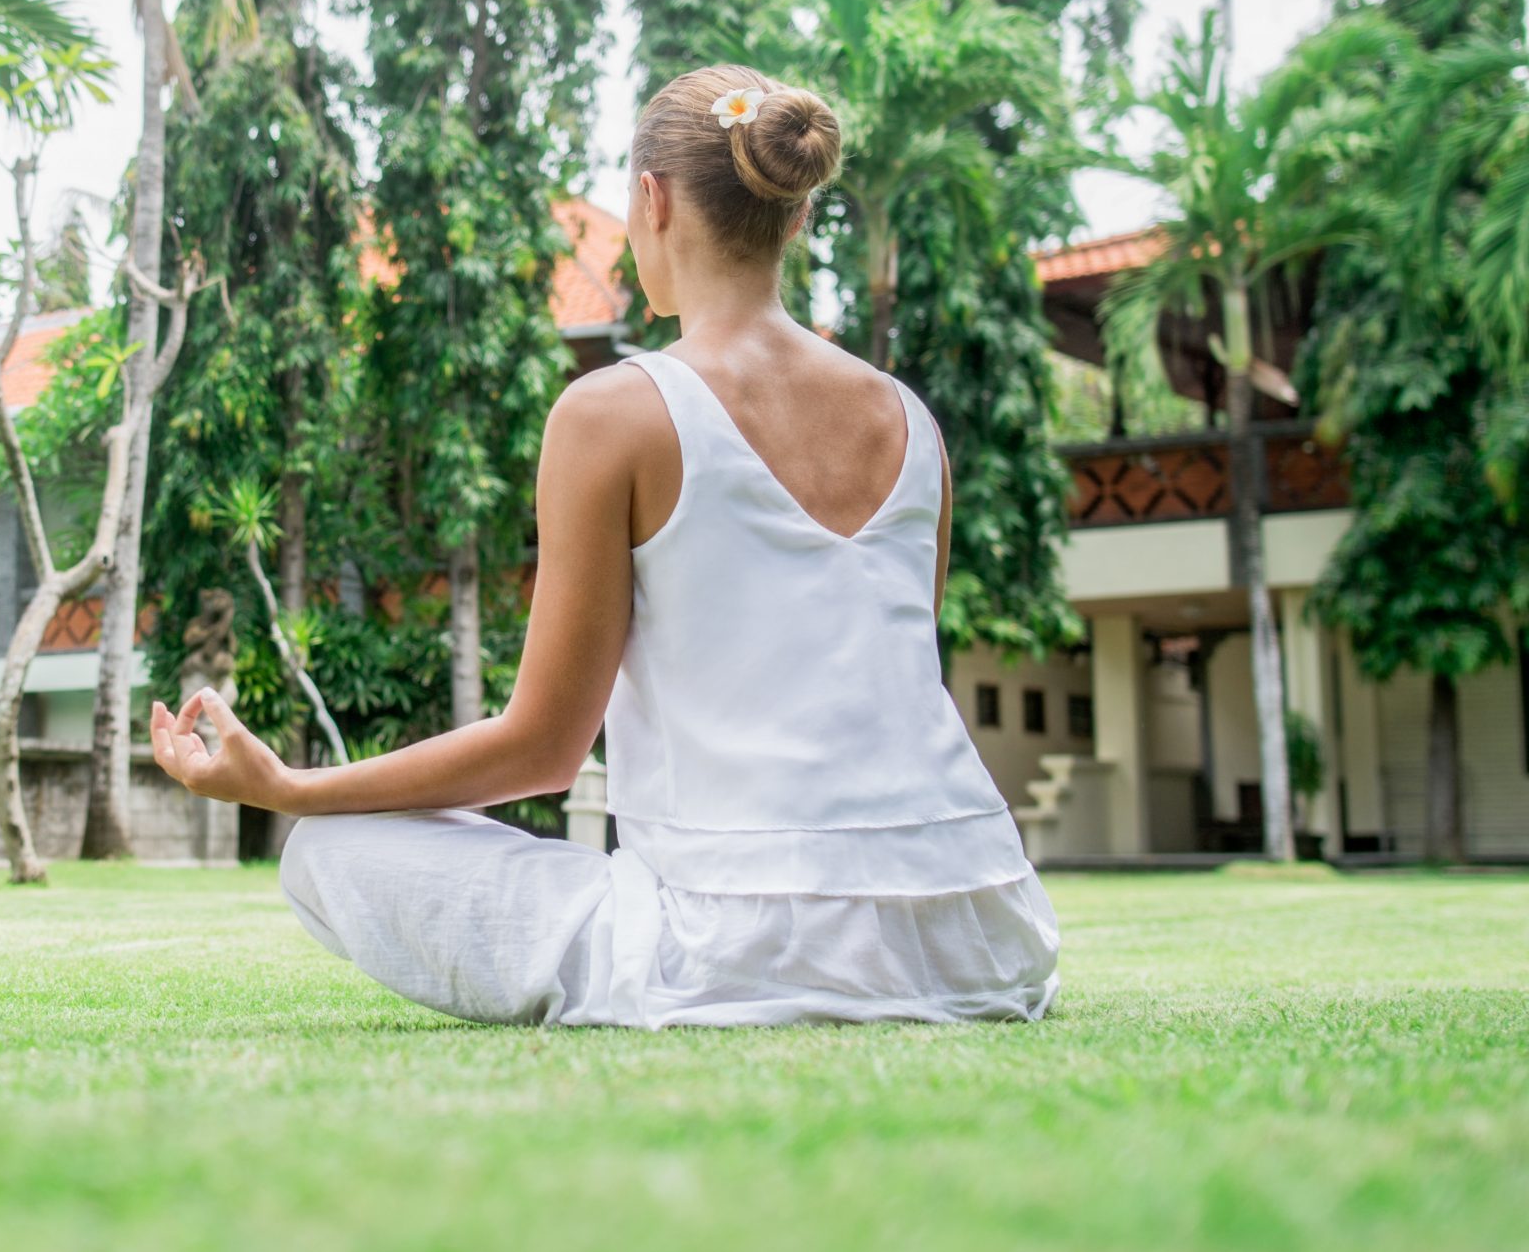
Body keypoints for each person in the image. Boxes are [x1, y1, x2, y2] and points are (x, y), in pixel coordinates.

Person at [149, 65, 1060, 1028]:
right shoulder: (912, 422)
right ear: (794, 219)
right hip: (979, 931)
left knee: (328, 849)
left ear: (651, 200)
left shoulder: (612, 412)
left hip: (730, 948)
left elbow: (544, 748)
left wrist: (291, 786)